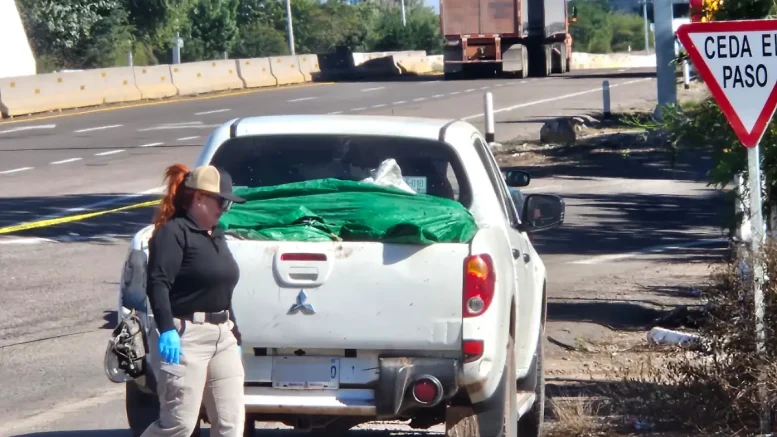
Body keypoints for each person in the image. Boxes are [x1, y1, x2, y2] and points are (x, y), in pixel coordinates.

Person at [141, 163, 247, 437]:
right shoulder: (173, 233)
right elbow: (158, 283)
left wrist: (233, 330)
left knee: (230, 424)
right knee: (179, 425)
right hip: (185, 336)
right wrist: (166, 329)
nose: (223, 210)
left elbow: (221, 286)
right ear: (198, 198)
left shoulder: (216, 235)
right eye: (221, 202)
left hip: (222, 337)